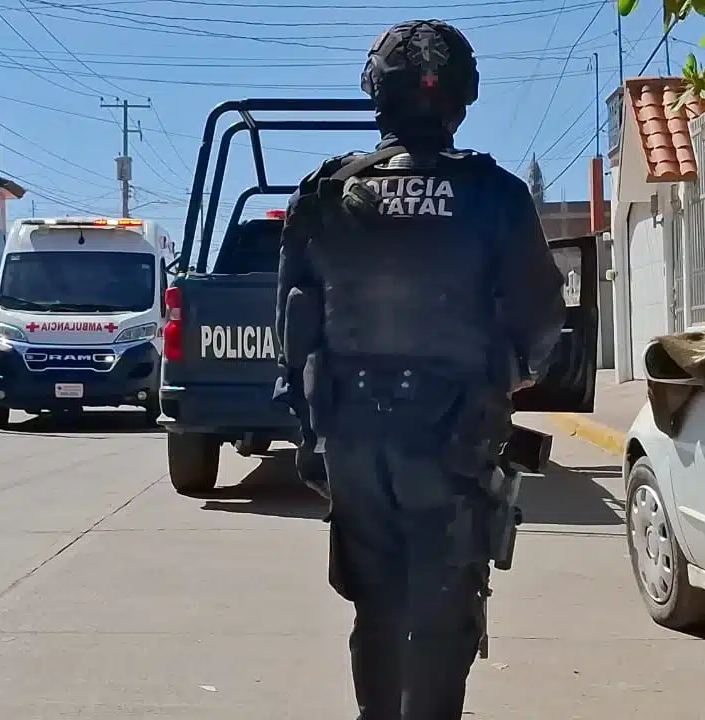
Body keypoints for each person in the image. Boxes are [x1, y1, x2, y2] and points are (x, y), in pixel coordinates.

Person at [274, 20, 566, 719]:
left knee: (376, 607)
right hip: (453, 437)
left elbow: (292, 318)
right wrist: (512, 374)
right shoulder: (494, 193)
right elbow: (540, 317)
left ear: (378, 92)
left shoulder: (324, 191)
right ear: (462, 94)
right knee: (442, 616)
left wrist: (309, 432)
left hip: (350, 435)